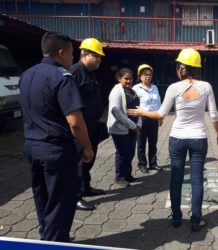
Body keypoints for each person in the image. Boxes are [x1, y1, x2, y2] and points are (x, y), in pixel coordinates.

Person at [129, 48, 218, 232]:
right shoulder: (206, 86)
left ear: (181, 67)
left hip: (177, 138)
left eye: (179, 65)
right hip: (198, 138)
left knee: (176, 179)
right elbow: (213, 116)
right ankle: (196, 220)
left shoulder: (173, 88)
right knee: (197, 180)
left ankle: (176, 217)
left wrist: (141, 112)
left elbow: (160, 114)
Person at [19, 32, 94, 242]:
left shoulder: (26, 75)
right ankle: (55, 242)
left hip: (32, 146)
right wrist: (87, 148)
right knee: (60, 204)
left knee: (42, 198)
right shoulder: (61, 77)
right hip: (56, 151)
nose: (73, 58)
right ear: (61, 53)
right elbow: (75, 123)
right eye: (71, 53)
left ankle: (46, 236)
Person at [70, 38, 106, 211]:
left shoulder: (90, 73)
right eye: (96, 57)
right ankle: (75, 196)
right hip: (81, 125)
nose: (99, 60)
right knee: (80, 160)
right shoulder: (75, 73)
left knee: (89, 159)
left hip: (93, 124)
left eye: (100, 58)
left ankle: (86, 188)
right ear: (84, 54)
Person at [107, 68, 142, 187]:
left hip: (133, 128)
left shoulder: (132, 91)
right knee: (122, 152)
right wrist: (132, 126)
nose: (128, 81)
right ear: (119, 79)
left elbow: (138, 109)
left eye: (130, 78)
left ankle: (127, 174)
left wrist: (138, 124)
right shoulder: (116, 91)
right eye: (126, 78)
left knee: (130, 152)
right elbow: (116, 112)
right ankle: (120, 177)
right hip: (120, 128)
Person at [133, 64, 163, 173]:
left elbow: (158, 102)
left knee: (153, 142)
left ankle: (153, 163)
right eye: (145, 74)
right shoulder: (136, 88)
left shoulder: (155, 87)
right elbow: (133, 103)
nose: (148, 77)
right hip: (142, 119)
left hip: (154, 117)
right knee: (141, 143)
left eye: (150, 74)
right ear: (140, 76)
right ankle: (142, 164)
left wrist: (161, 117)